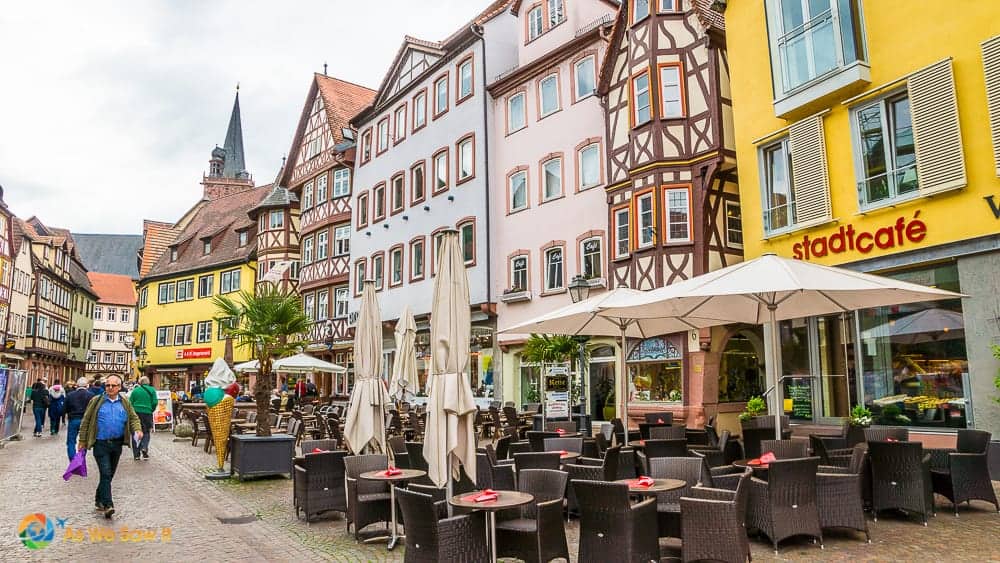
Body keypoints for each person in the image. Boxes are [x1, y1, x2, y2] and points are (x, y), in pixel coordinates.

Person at [77, 374, 142, 519]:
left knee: (109, 474)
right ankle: (108, 505)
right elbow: (86, 421)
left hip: (117, 443)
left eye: (113, 386)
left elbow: (133, 418)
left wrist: (137, 430)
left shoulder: (125, 402)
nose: (110, 388)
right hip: (100, 443)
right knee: (105, 473)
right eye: (108, 385)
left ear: (119, 387)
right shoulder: (96, 401)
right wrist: (82, 441)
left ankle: (99, 498)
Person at [128, 376, 157, 460]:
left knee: (135, 432)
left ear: (140, 382)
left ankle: (136, 455)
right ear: (148, 382)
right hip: (147, 412)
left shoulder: (135, 390)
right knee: (146, 431)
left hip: (136, 413)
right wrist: (151, 409)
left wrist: (132, 412)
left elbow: (130, 402)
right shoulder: (152, 390)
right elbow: (155, 402)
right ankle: (144, 447)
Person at [65, 377, 93, 461]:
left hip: (73, 419)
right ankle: (80, 460)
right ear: (86, 386)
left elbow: (65, 408)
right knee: (84, 440)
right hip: (86, 421)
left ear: (77, 385)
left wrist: (68, 414)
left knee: (71, 441)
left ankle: (73, 460)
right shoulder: (91, 396)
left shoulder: (70, 395)